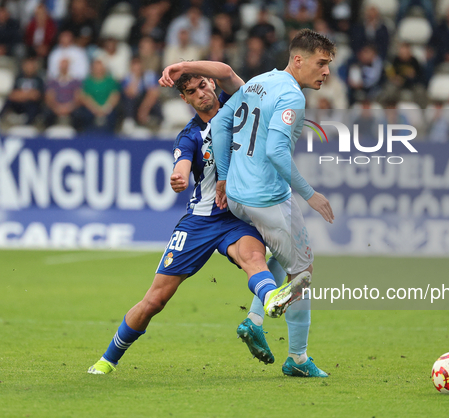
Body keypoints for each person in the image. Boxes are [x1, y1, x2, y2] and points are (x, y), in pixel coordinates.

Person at [88, 61, 303, 375]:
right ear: (185, 100)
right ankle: (107, 359)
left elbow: (227, 71)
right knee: (156, 299)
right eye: (192, 91)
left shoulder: (240, 104)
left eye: (204, 85)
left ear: (212, 84)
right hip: (200, 221)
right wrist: (178, 177)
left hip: (237, 218)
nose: (202, 93)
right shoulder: (189, 136)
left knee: (253, 257)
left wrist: (184, 66)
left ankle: (271, 300)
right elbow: (182, 167)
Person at [210, 28, 336, 377]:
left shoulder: (257, 82)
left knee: (282, 256)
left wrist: (223, 176)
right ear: (299, 60)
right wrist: (311, 195)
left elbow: (221, 124)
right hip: (267, 198)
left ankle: (253, 318)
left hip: (236, 195)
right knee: (302, 273)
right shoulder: (293, 97)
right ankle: (297, 359)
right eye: (321, 63)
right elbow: (276, 151)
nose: (326, 71)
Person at [0, 55, 43, 125]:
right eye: (27, 66)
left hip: (30, 104)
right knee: (8, 101)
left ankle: (27, 125)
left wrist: (22, 94)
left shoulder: (38, 79)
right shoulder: (19, 78)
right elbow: (12, 94)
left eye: (31, 66)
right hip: (19, 103)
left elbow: (37, 95)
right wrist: (28, 94)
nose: (29, 68)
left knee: (33, 107)